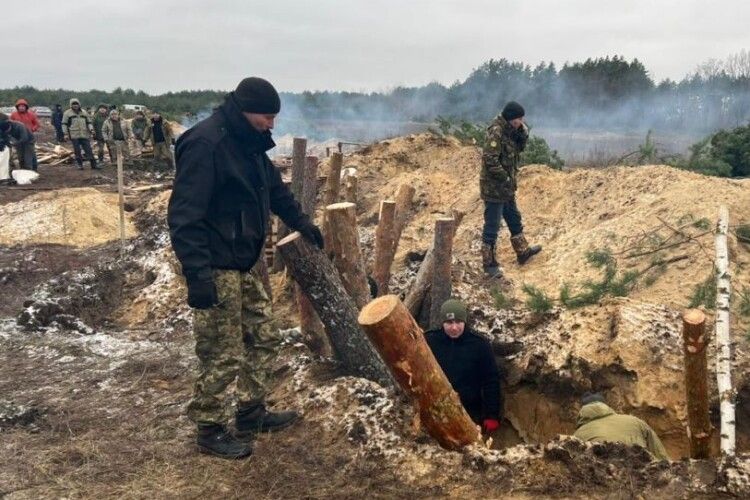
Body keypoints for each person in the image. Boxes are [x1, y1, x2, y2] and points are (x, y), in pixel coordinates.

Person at [167, 77, 324, 459]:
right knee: (222, 351)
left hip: (245, 264)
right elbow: (185, 216)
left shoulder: (249, 143)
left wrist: (302, 223)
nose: (272, 124)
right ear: (245, 110)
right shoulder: (207, 145)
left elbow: (275, 190)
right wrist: (198, 275)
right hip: (215, 265)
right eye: (267, 117)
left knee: (264, 336)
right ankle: (210, 428)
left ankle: (250, 411)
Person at [480, 101, 542, 278]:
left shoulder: (511, 130)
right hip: (494, 187)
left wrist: (523, 133)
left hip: (506, 187)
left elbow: (518, 149)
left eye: (522, 119)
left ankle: (523, 252)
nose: (521, 121)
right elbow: (490, 160)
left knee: (514, 218)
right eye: (518, 119)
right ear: (510, 118)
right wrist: (506, 178)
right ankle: (489, 264)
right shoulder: (497, 131)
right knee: (492, 225)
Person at [425, 299, 501, 433]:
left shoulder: (479, 345)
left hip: (469, 411)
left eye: (458, 322)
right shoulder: (430, 341)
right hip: (436, 410)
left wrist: (492, 415)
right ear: (442, 323)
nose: (454, 327)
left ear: (465, 322)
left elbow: (491, 381)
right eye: (449, 322)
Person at [573, 393, 670, 461]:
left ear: (582, 411)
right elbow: (660, 454)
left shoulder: (577, 435)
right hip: (642, 472)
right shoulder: (634, 421)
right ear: (606, 406)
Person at [62, 98, 99, 170]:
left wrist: (91, 130)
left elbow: (89, 122)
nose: (75, 105)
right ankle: (80, 165)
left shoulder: (84, 112)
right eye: (73, 104)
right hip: (74, 135)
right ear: (71, 105)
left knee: (88, 149)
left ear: (79, 104)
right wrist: (65, 134)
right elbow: (64, 124)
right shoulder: (67, 113)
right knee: (77, 150)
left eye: (76, 104)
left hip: (84, 134)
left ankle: (93, 165)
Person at [0, 112, 35, 181]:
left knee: (27, 157)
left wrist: (14, 143)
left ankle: (30, 174)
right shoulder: (3, 126)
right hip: (17, 141)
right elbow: (6, 137)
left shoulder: (20, 126)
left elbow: (25, 138)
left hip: (28, 141)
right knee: (20, 158)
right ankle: (21, 173)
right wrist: (5, 142)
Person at [9, 99, 39, 171]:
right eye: (20, 106)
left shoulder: (31, 114)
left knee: (30, 155)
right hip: (18, 138)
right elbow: (10, 125)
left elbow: (37, 124)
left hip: (29, 137)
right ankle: (23, 170)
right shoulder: (13, 115)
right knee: (20, 155)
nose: (21, 107)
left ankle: (33, 170)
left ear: (26, 107)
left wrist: (32, 129)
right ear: (17, 107)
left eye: (23, 106)